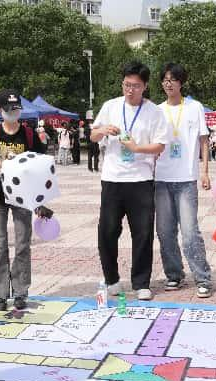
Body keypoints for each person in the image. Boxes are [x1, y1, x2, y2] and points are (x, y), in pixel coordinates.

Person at [90, 61, 168, 301]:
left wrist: (136, 148)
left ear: (145, 86)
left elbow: (160, 145)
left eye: (135, 86)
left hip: (141, 180)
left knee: (143, 232)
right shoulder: (110, 106)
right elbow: (93, 135)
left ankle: (141, 283)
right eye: (126, 85)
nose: (130, 90)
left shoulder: (154, 112)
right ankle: (111, 279)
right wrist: (103, 130)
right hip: (112, 179)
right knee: (107, 230)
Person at [0, 89, 47, 311]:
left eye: (16, 109)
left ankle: (21, 291)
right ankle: (1, 293)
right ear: (0, 110)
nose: (13, 113)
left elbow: (41, 166)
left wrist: (39, 200)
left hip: (22, 197)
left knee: (23, 244)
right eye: (8, 109)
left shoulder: (29, 134)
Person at [154, 62, 213, 298]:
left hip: (186, 178)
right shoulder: (156, 110)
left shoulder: (194, 107)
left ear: (181, 82)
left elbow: (204, 141)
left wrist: (205, 171)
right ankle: (174, 274)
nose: (168, 84)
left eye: (173, 79)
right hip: (161, 178)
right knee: (165, 231)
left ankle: (203, 277)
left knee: (189, 232)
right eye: (165, 79)